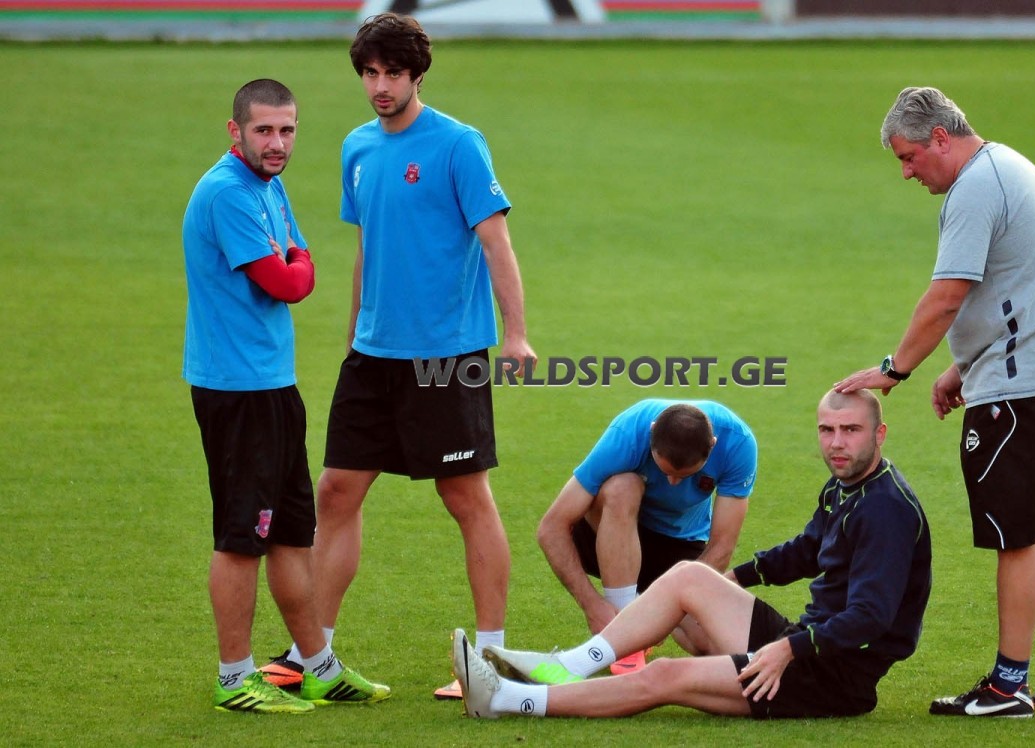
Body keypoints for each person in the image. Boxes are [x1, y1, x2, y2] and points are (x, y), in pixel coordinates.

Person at [260, 14, 536, 700]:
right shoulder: (357, 147)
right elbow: (368, 246)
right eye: (370, 73)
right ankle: (312, 654)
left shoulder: (459, 145)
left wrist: (516, 335)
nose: (380, 86)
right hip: (372, 356)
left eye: (392, 73)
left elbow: (496, 243)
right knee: (335, 492)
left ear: (417, 75)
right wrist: (355, 332)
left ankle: (491, 660)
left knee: (464, 496)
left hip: (445, 356)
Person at [835, 86, 1035, 718]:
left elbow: (948, 295)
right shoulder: (1010, 166)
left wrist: (894, 369)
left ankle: (1008, 687)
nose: (906, 173)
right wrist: (963, 366)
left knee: (1017, 539)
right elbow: (1023, 285)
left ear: (940, 138)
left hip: (1020, 387)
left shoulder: (975, 188)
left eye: (908, 157)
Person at [452, 389, 932, 721]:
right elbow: (807, 551)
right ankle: (571, 664)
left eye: (851, 430)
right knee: (689, 576)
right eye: (827, 429)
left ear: (879, 434)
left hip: (830, 676)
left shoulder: (885, 510)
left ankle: (505, 700)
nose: (836, 443)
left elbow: (870, 617)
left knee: (665, 675)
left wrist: (787, 650)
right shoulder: (846, 486)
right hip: (804, 643)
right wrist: (731, 582)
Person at [182, 79, 389, 713]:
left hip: (273, 385)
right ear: (235, 130)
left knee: (293, 534)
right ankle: (234, 678)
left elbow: (303, 259)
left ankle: (317, 666)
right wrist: (295, 261)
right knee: (241, 538)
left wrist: (296, 260)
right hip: (236, 391)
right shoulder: (227, 192)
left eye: (287, 130)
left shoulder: (268, 186)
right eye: (264, 130)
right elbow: (290, 282)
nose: (277, 143)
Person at [536, 399, 757, 673]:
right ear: (652, 432)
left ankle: (633, 619)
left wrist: (662, 610)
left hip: (681, 545)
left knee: (710, 642)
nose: (672, 483)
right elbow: (551, 528)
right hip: (609, 531)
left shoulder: (738, 443)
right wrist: (592, 605)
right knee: (622, 487)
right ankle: (623, 636)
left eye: (685, 476)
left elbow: (721, 546)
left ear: (712, 445)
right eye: (665, 471)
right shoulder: (629, 432)